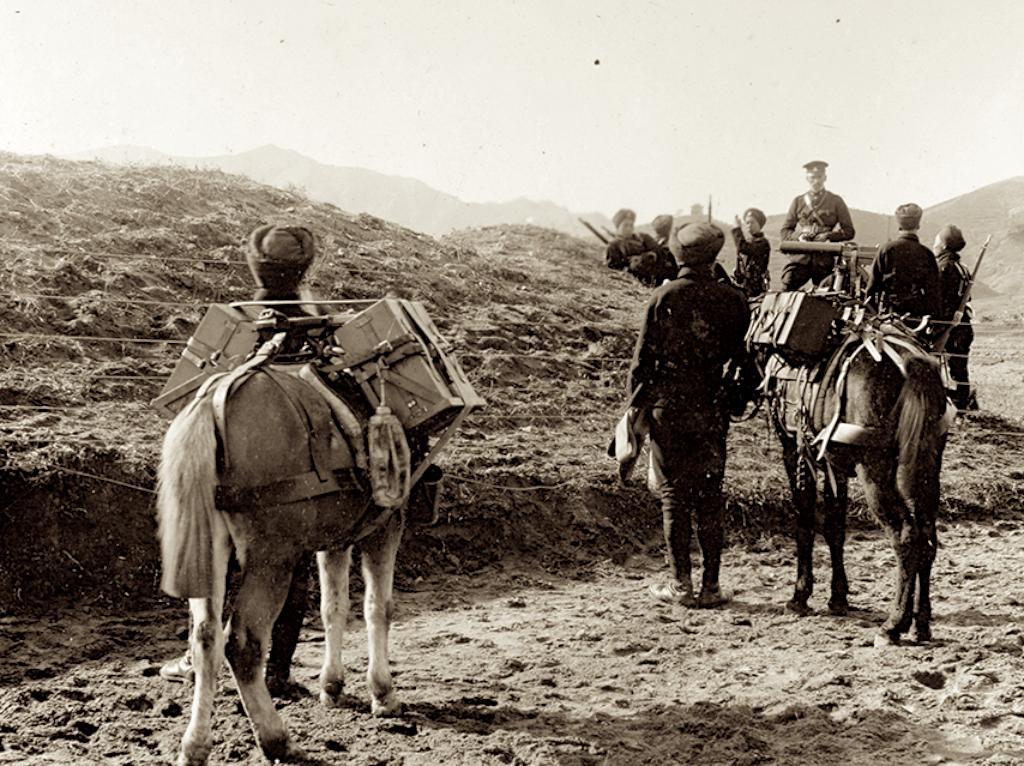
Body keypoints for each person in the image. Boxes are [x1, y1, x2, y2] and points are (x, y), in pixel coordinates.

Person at [160, 224, 320, 695]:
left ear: (254, 265)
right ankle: (275, 670)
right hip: (300, 458)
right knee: (290, 561)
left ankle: (198, 657)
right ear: (305, 267)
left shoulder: (232, 319)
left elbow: (186, 392)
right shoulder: (319, 317)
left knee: (219, 555)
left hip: (226, 455)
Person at [629, 223, 751, 608]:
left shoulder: (663, 296)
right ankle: (712, 587)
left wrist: (636, 409)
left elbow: (641, 364)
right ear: (715, 255)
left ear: (678, 255)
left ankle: (680, 585)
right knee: (711, 496)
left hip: (669, 409)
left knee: (674, 497)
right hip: (711, 408)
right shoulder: (734, 300)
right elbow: (747, 364)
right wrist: (734, 400)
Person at [780, 160, 855, 290]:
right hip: (801, 258)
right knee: (787, 285)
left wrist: (828, 236)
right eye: (812, 178)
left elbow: (849, 231)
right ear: (807, 179)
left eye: (819, 177)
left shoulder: (836, 201)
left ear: (825, 178)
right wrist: (799, 237)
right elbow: (785, 231)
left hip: (824, 260)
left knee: (827, 296)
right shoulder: (798, 202)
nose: (816, 181)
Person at [865, 203, 941, 324]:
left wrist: (873, 317)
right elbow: (934, 293)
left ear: (899, 227)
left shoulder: (885, 250)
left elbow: (871, 289)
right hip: (917, 321)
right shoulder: (927, 254)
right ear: (918, 225)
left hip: (888, 318)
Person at [934, 224, 975, 409]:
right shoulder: (963, 268)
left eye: (936, 241)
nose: (933, 244)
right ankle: (962, 399)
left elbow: (939, 299)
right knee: (959, 367)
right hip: (962, 324)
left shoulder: (943, 267)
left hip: (950, 326)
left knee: (954, 366)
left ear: (943, 245)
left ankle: (960, 403)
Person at [605, 208, 669, 287]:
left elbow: (659, 251)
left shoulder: (643, 237)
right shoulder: (614, 245)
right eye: (625, 225)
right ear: (617, 227)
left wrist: (650, 255)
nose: (629, 228)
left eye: (631, 225)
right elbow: (614, 268)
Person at [731, 207, 771, 297]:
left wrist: (737, 229)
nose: (749, 225)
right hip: (743, 286)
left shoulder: (762, 243)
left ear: (759, 225)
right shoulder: (749, 241)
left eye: (752, 222)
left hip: (755, 289)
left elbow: (743, 248)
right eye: (747, 223)